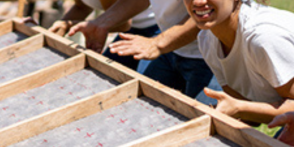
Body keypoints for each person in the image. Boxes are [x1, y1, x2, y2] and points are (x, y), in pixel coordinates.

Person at [68, 0, 219, 105]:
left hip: (210, 56)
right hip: (169, 48)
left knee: (209, 130)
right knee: (142, 108)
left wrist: (158, 44)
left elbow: (209, 10)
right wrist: (101, 23)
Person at [184, 0, 294, 125]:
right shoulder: (206, 39)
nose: (198, 2)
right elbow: (246, 113)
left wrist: (240, 109)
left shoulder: (263, 37)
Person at [49, 0, 160, 72]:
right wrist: (61, 25)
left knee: (147, 80)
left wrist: (72, 25)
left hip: (156, 31)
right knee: (104, 73)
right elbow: (82, 8)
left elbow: (123, 25)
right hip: (130, 32)